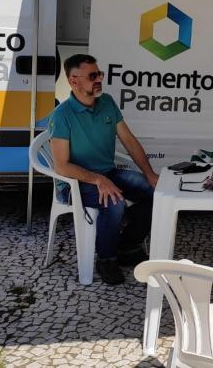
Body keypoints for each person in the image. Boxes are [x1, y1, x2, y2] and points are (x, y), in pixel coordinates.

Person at [49, 54, 159, 285]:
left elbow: (129, 140)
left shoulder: (107, 102)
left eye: (100, 74)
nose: (99, 79)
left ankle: (127, 246)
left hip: (106, 174)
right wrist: (97, 179)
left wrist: (150, 174)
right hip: (75, 183)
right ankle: (106, 259)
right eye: (92, 75)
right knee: (115, 201)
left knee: (157, 193)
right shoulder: (62, 115)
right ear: (74, 81)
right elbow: (61, 165)